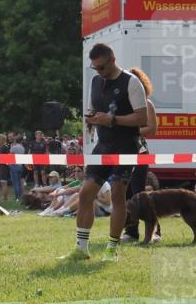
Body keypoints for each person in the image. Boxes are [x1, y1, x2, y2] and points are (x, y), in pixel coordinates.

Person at [62, 44, 148, 261]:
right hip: (103, 145)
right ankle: (81, 249)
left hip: (126, 146)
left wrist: (112, 119)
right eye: (95, 67)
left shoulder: (131, 82)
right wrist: (91, 119)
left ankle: (112, 249)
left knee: (118, 197)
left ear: (112, 59)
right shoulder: (94, 82)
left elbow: (142, 119)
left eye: (101, 67)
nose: (98, 71)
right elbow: (93, 110)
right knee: (85, 194)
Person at [121, 67, 160, 243]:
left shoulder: (147, 104)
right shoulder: (122, 105)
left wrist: (129, 129)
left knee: (140, 193)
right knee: (125, 193)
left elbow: (152, 128)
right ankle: (131, 231)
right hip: (122, 153)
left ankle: (155, 231)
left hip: (140, 153)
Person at [9, 132, 26, 200]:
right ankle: (20, 196)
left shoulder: (14, 148)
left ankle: (17, 197)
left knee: (15, 183)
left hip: (14, 166)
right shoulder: (22, 148)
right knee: (19, 182)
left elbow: (10, 155)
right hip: (20, 166)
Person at [0, 134, 12, 202]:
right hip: (1, 166)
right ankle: (4, 197)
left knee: (4, 182)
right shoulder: (1, 147)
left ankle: (5, 198)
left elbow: (9, 156)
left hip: (4, 167)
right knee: (2, 183)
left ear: (2, 139)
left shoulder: (5, 147)